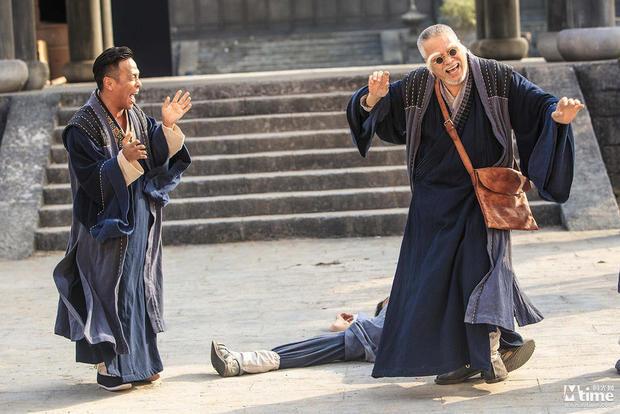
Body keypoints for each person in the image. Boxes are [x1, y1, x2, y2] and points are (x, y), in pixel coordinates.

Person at [346, 24, 584, 384]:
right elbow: (375, 114)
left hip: (485, 196)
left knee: (482, 269)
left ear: (462, 47)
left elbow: (538, 103)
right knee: (436, 280)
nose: (449, 62)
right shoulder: (416, 86)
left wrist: (557, 117)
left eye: (452, 51)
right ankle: (461, 358)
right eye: (437, 59)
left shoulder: (496, 77)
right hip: (434, 201)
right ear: (428, 64)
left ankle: (488, 353)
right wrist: (372, 99)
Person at [52, 47, 192, 391]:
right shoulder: (81, 126)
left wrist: (167, 127)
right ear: (109, 82)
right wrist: (121, 161)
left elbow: (154, 159)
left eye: (138, 77)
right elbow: (90, 180)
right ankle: (109, 367)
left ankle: (140, 363)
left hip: (138, 218)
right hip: (102, 225)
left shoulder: (136, 116)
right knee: (106, 292)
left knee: (136, 289)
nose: (138, 84)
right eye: (132, 77)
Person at [210, 297, 535, 378]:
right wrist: (345, 322)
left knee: (295, 353)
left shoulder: (385, 314)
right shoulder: (377, 317)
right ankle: (238, 362)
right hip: (367, 339)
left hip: (371, 340)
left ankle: (238, 362)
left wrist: (349, 323)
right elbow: (340, 328)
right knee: (297, 353)